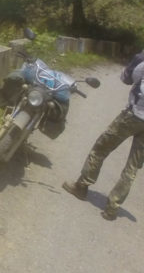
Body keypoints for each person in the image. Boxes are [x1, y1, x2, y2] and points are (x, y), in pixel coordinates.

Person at [62, 50, 144, 220]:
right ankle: (112, 208)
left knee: (101, 148)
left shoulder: (141, 57)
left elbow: (125, 78)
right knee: (133, 166)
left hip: (133, 115)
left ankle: (81, 186)